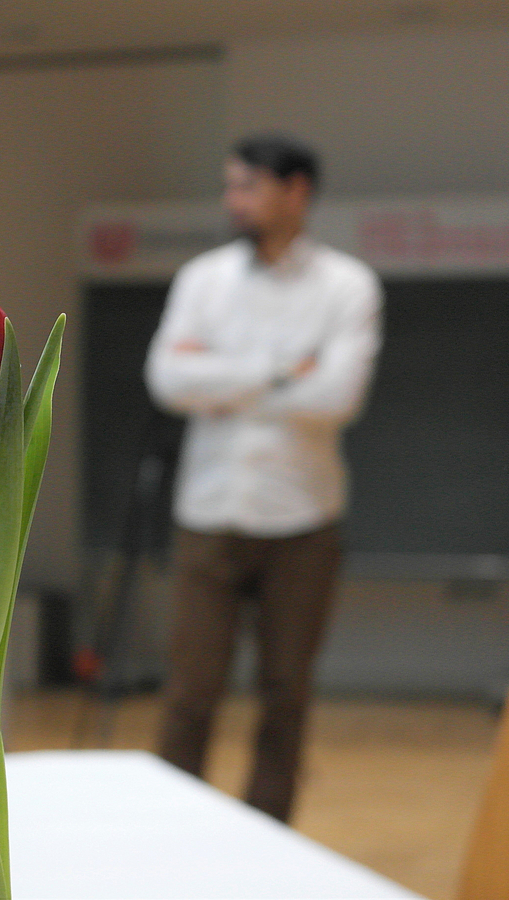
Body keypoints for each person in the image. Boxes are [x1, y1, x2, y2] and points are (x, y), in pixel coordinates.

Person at [143, 133, 382, 822]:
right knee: (189, 691)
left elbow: (338, 397)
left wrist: (219, 377)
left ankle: (270, 838)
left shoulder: (348, 286)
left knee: (287, 692)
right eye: (230, 187)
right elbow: (167, 377)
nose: (233, 202)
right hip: (209, 512)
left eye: (247, 187)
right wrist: (282, 372)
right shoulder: (203, 279)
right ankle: (171, 830)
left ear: (296, 191)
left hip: (303, 517)